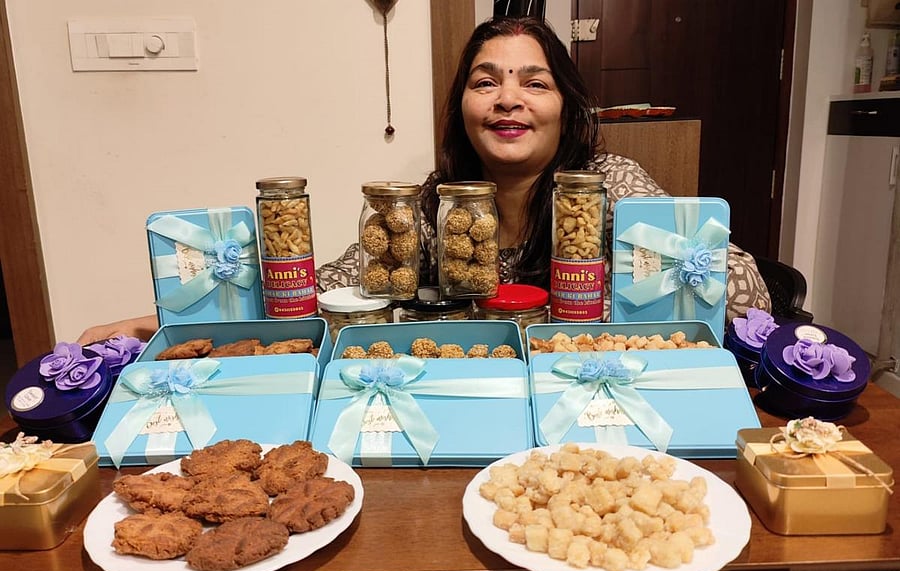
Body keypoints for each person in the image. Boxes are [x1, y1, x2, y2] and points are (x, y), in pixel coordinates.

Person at [78, 16, 769, 344]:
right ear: (461, 107)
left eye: (534, 83)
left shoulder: (608, 184)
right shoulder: (438, 201)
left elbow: (744, 289)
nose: (507, 99)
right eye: (485, 82)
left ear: (568, 107)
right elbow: (342, 285)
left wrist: (640, 296)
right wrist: (171, 321)